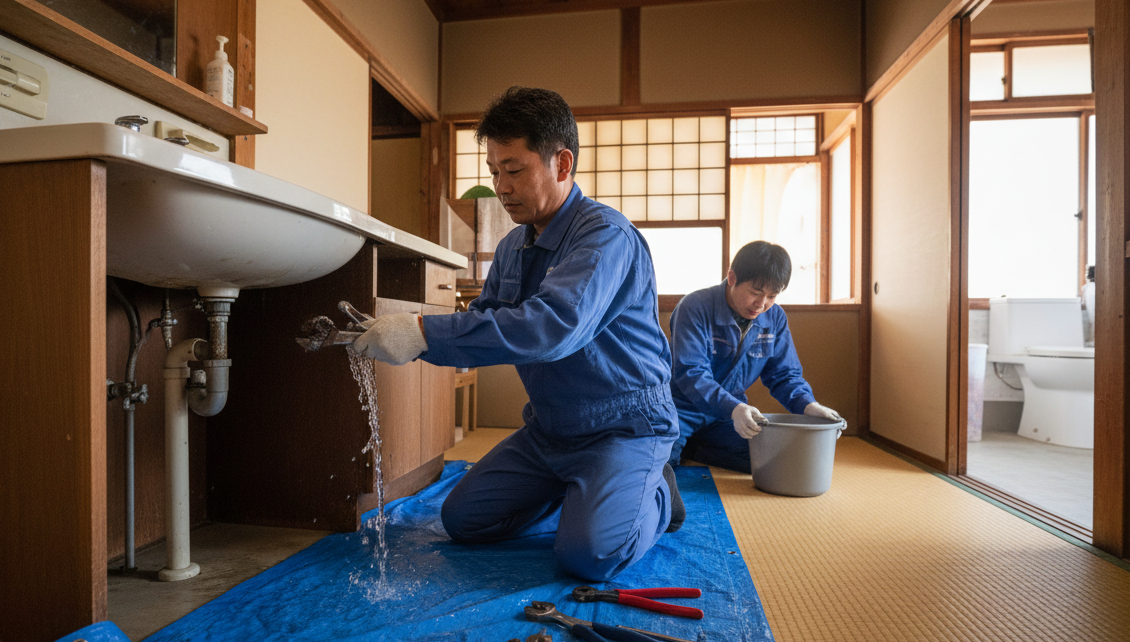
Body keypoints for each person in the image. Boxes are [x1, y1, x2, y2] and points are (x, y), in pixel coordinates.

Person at [351, 87, 681, 581]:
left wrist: (420, 333)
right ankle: (586, 494)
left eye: (514, 170)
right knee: (464, 520)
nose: (500, 187)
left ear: (562, 163)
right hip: (550, 430)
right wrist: (411, 337)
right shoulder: (512, 246)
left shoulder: (605, 237)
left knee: (588, 556)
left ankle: (657, 493)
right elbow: (485, 318)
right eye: (493, 171)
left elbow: (552, 328)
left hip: (622, 426)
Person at [668, 240, 842, 474]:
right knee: (658, 465)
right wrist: (734, 407)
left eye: (772, 295)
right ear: (732, 278)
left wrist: (808, 406)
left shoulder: (775, 317)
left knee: (774, 459)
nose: (761, 304)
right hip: (681, 409)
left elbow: (784, 374)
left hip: (728, 416)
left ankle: (693, 447)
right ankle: (680, 444)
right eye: (755, 292)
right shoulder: (695, 306)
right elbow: (691, 373)